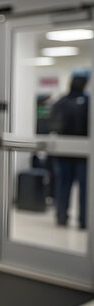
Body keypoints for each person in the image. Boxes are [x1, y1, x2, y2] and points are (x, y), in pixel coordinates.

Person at [50, 71, 89, 229]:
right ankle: (84, 221)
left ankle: (61, 217)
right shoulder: (88, 102)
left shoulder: (61, 102)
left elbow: (52, 125)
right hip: (82, 154)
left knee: (63, 186)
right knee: (84, 189)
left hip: (64, 153)